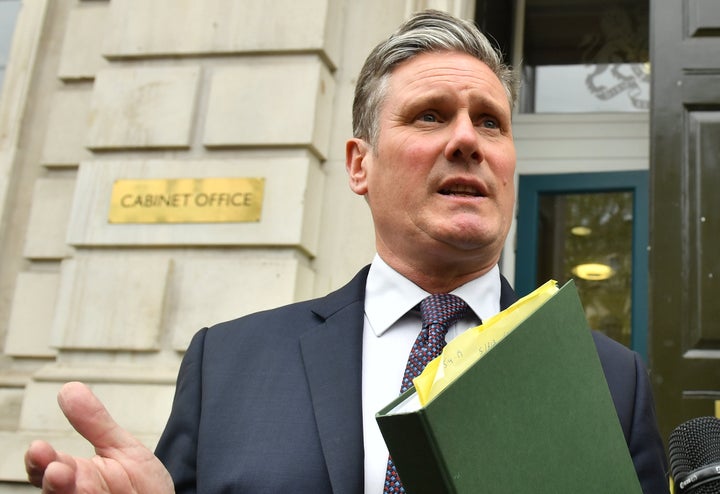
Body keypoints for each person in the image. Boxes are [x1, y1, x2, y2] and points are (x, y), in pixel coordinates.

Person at [24, 9, 669, 494]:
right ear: (361, 164)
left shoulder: (611, 382)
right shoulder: (228, 365)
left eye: (491, 122)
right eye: (430, 115)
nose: (468, 140)